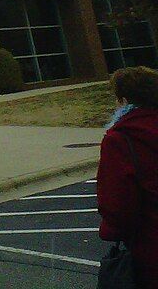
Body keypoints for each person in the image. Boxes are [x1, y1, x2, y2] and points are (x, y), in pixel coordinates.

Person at [97, 66, 158, 289]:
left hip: (149, 247)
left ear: (123, 99)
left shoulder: (121, 139)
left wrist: (112, 230)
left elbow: (117, 204)